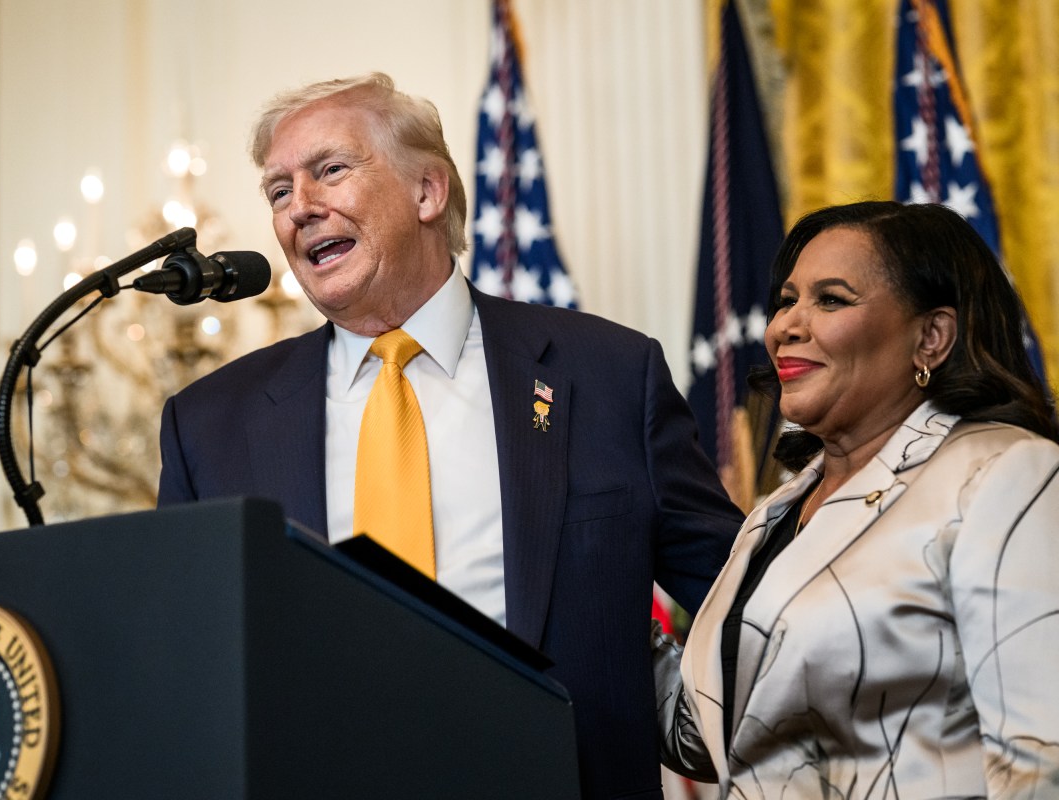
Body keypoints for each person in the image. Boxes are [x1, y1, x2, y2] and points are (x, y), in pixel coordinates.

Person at [155, 72, 741, 798]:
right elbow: (183, 663)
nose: (300, 208)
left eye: (330, 171)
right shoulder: (210, 424)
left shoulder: (609, 376)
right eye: (278, 191)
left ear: (428, 192)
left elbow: (745, 601)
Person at [653, 200, 1059, 797]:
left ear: (932, 337)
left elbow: (1040, 763)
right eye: (788, 299)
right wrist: (572, 579)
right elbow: (707, 736)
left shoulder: (1003, 473)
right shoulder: (776, 511)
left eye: (831, 299)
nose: (784, 326)